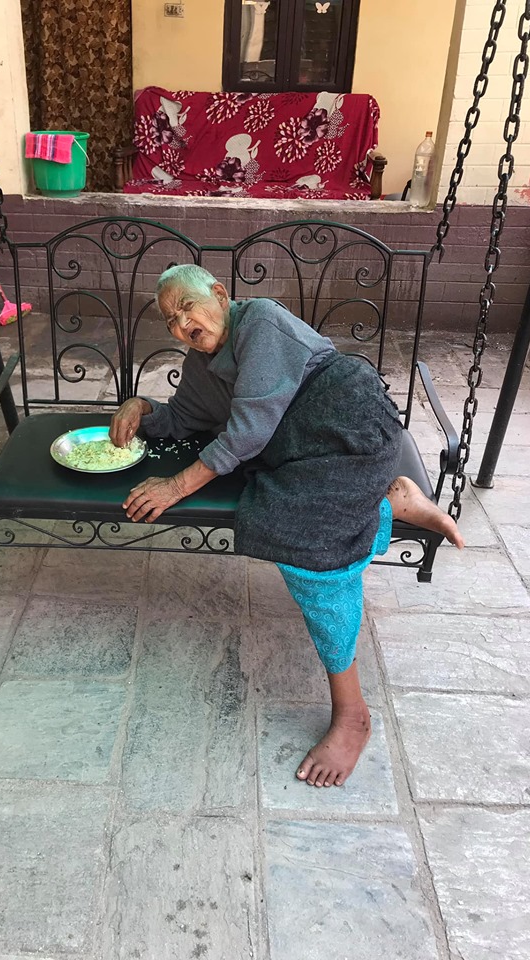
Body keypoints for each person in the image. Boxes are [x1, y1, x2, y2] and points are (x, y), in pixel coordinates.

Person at [109, 265, 464, 789]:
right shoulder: (202, 363)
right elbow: (182, 421)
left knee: (315, 554)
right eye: (170, 320)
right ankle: (391, 500)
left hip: (347, 427)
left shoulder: (261, 323)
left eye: (187, 306)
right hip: (296, 456)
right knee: (271, 514)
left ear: (220, 295)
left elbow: (247, 431)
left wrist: (175, 486)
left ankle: (353, 714)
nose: (182, 323)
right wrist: (140, 407)